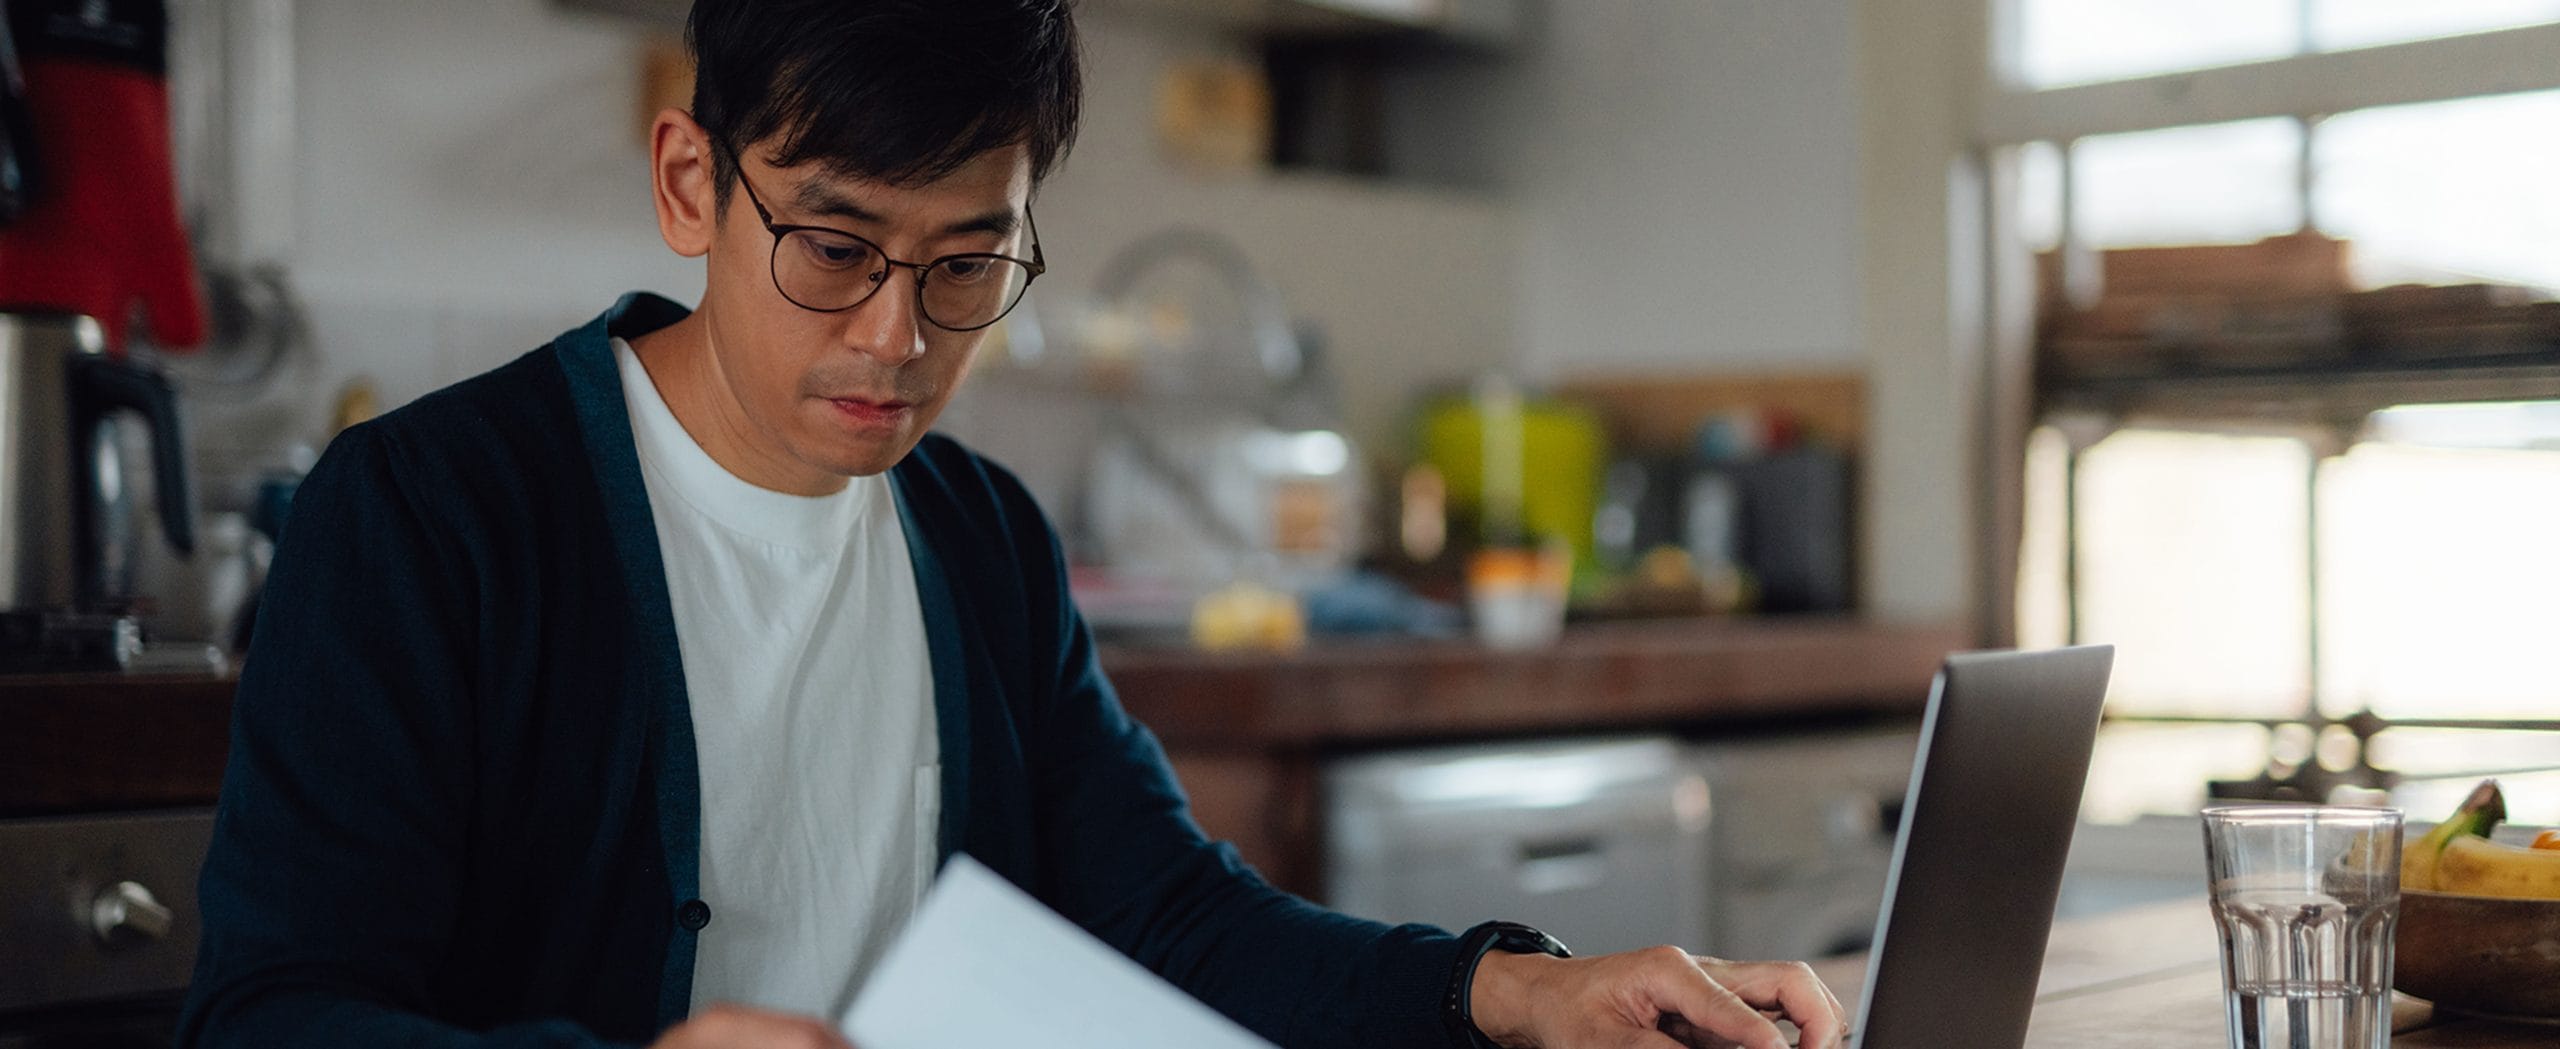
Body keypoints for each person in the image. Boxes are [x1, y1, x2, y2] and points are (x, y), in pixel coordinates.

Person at [175, 2, 1848, 1047]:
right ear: (692, 183)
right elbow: (268, 1015)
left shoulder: (977, 533)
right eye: (833, 246)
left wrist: (1516, 991)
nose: (898, 337)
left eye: (969, 262)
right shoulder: (424, 520)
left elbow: (1171, 914)